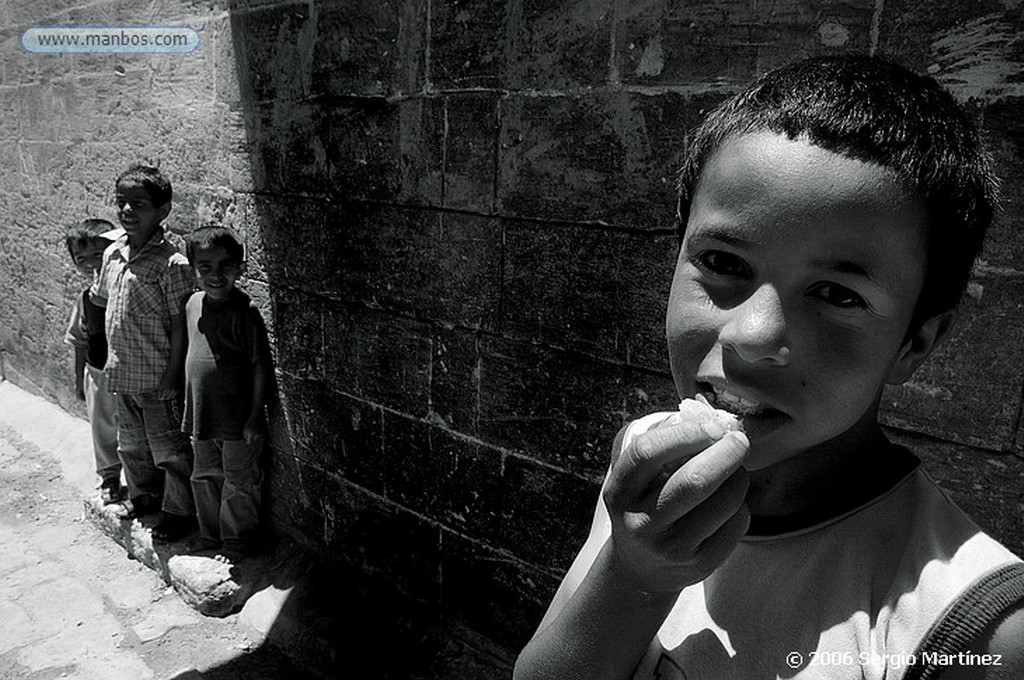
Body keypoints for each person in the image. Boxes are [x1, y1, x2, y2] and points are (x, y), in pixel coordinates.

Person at [514, 56, 1024, 680]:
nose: (751, 335)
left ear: (915, 343)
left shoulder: (975, 627)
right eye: (724, 263)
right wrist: (635, 575)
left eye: (838, 295)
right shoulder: (647, 461)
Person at [92, 164, 197, 542]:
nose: (127, 211)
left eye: (138, 204)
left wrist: (172, 378)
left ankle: (179, 511)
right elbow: (102, 304)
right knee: (132, 445)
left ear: (163, 210)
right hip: (123, 373)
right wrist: (100, 356)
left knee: (169, 450)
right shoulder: (113, 253)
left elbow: (181, 325)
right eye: (121, 202)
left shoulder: (172, 264)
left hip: (156, 377)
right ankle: (144, 496)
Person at [182, 225, 270, 560]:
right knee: (204, 473)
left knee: (239, 479)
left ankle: (238, 539)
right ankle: (212, 534)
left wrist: (254, 416)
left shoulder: (244, 311)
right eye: (205, 267)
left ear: (241, 269)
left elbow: (260, 364)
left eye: (225, 266)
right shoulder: (192, 305)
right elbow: (192, 357)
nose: (215, 275)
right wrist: (186, 404)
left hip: (236, 419)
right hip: (202, 415)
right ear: (194, 270)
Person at [63, 218, 125, 504]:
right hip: (98, 374)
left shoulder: (126, 292)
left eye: (97, 256)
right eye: (81, 259)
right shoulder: (85, 300)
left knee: (134, 430)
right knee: (102, 427)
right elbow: (78, 340)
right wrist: (80, 381)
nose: (91, 264)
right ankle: (110, 476)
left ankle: (142, 482)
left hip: (130, 372)